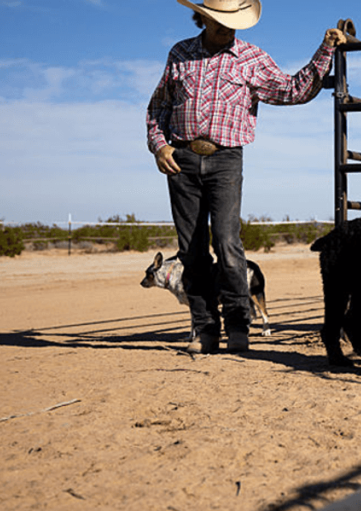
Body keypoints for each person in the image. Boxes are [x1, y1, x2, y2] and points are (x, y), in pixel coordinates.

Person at [146, 0, 347, 354]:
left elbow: (291, 90)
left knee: (226, 242)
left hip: (225, 159)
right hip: (181, 159)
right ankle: (205, 330)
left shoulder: (251, 57)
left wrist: (325, 49)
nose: (229, 28)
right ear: (203, 18)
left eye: (234, 22)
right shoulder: (180, 54)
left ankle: (238, 325)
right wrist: (159, 146)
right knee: (191, 251)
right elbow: (159, 104)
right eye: (222, 21)